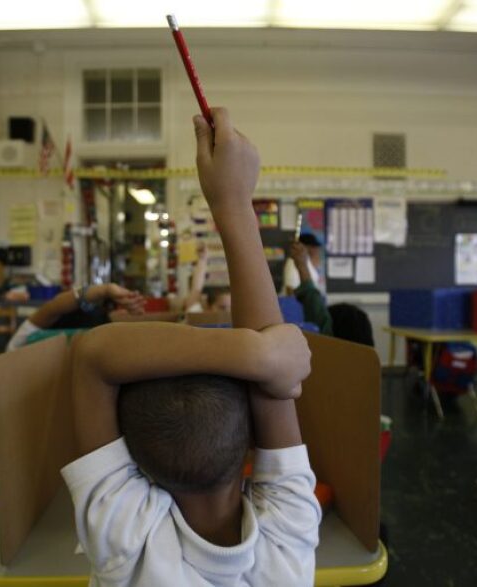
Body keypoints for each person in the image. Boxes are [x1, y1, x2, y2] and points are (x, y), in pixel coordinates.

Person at [60, 107, 321, 585]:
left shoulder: (126, 546)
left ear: (138, 467)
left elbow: (92, 354)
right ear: (248, 448)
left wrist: (260, 356)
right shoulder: (287, 540)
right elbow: (273, 379)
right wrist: (233, 203)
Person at [6, 284, 144, 351]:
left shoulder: (22, 343)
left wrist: (105, 290)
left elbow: (54, 307)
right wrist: (105, 290)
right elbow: (54, 307)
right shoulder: (24, 343)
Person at [287, 241, 332, 335]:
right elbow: (290, 289)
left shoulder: (310, 264)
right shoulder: (292, 264)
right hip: (296, 309)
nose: (318, 253)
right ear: (309, 249)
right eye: (316, 249)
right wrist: (302, 265)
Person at [184, 243, 232, 313]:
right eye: (222, 308)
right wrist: (202, 259)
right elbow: (196, 288)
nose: (228, 312)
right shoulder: (198, 314)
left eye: (232, 308)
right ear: (209, 307)